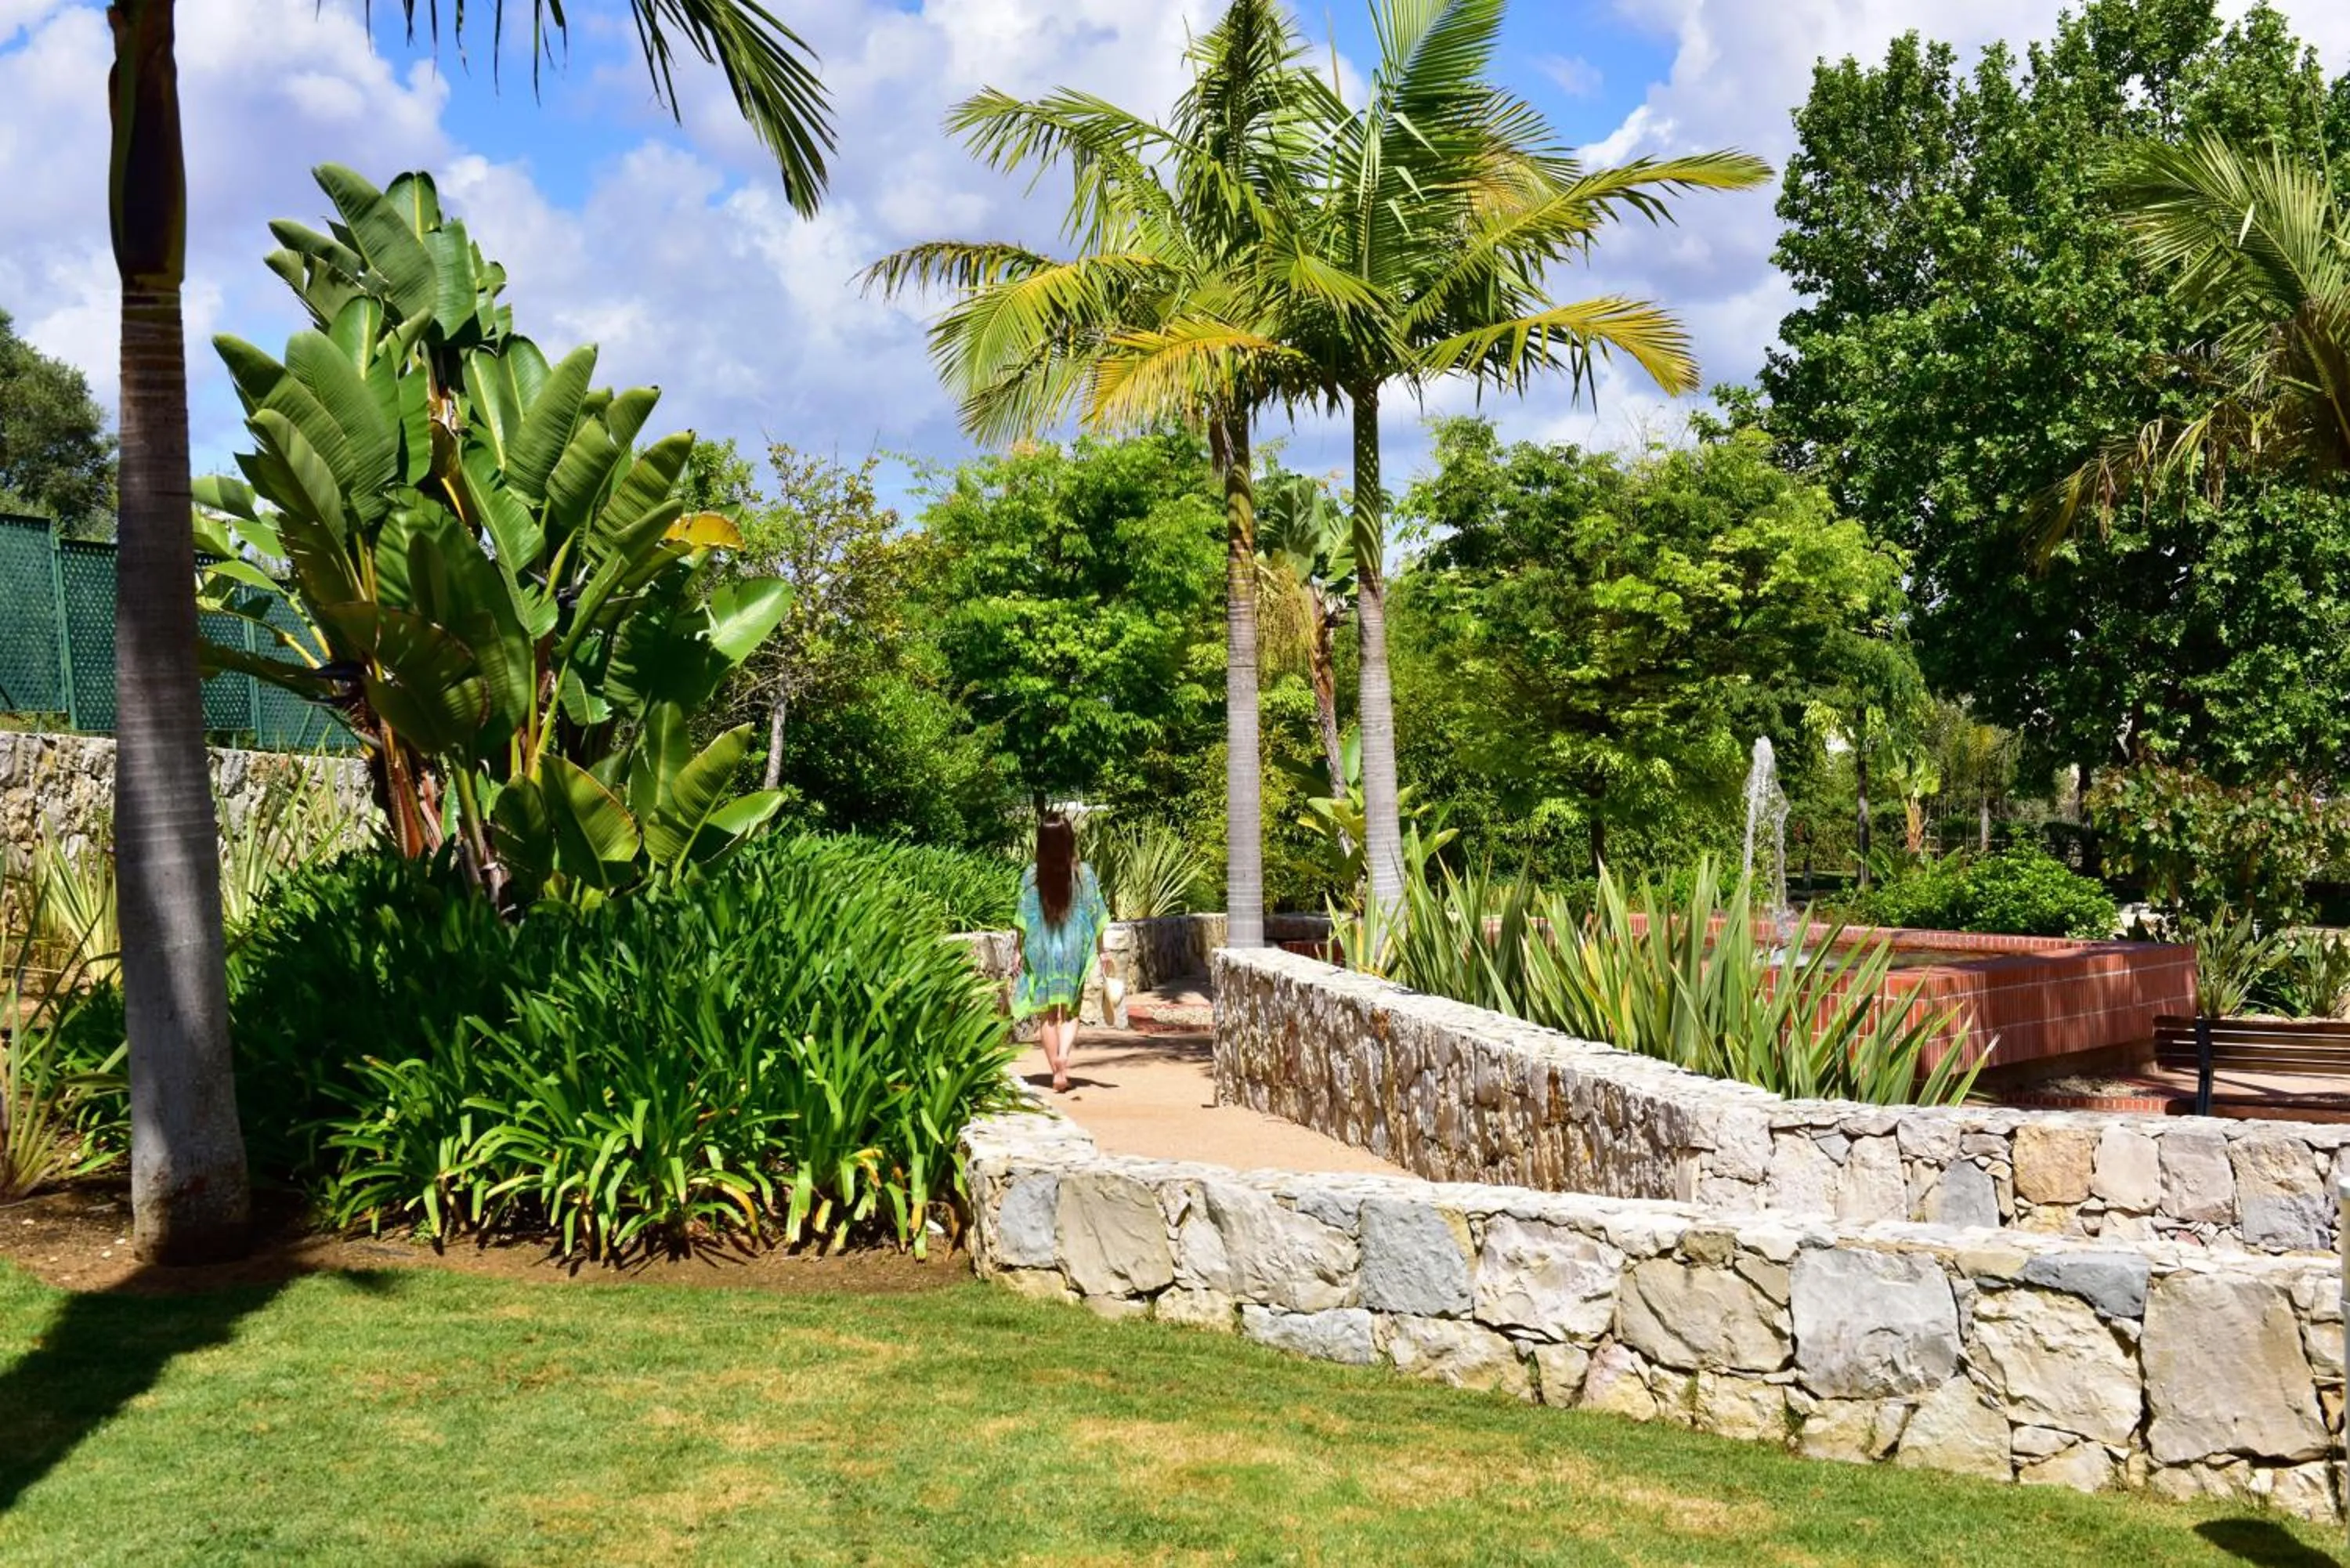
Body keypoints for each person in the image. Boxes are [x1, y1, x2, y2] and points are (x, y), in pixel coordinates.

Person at [1014, 811, 1109, 1093]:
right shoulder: (1084, 873)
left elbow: (1024, 917)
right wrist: (1102, 951)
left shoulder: (1032, 875)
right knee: (1070, 1009)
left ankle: (1054, 1066)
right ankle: (1064, 1058)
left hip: (1042, 949)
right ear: (1069, 839)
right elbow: (1096, 913)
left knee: (1047, 1013)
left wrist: (1019, 951)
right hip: (1072, 950)